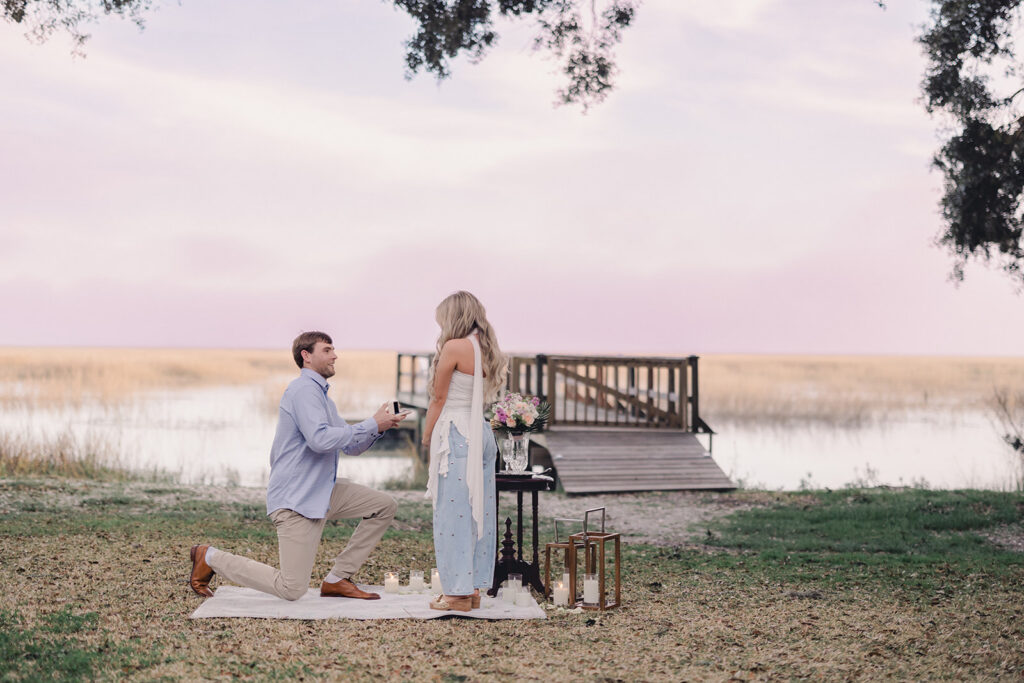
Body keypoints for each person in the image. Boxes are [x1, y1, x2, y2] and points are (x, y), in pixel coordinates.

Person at [188, 331, 408, 601]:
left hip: (322, 491)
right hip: (296, 500)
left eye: (333, 349)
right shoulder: (303, 390)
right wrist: (371, 423)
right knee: (291, 589)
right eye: (327, 350)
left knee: (383, 505)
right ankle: (209, 557)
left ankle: (338, 579)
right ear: (306, 356)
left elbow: (351, 447)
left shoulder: (323, 398)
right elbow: (319, 440)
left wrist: (378, 428)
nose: (335, 355)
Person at [421, 291, 506, 612]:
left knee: (452, 513)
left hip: (456, 432)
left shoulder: (455, 347)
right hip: (482, 433)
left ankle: (457, 594)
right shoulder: (485, 347)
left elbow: (438, 398)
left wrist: (427, 437)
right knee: (478, 512)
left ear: (453, 316)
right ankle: (472, 589)